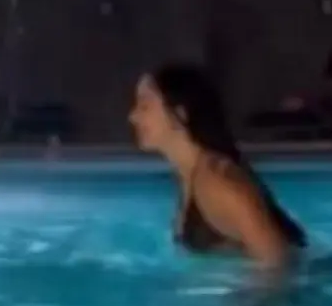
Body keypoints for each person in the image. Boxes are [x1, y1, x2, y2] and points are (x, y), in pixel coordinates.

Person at [128, 63, 306, 270]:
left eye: (145, 106)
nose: (132, 117)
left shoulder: (218, 182)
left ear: (180, 114)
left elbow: (278, 263)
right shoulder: (191, 174)